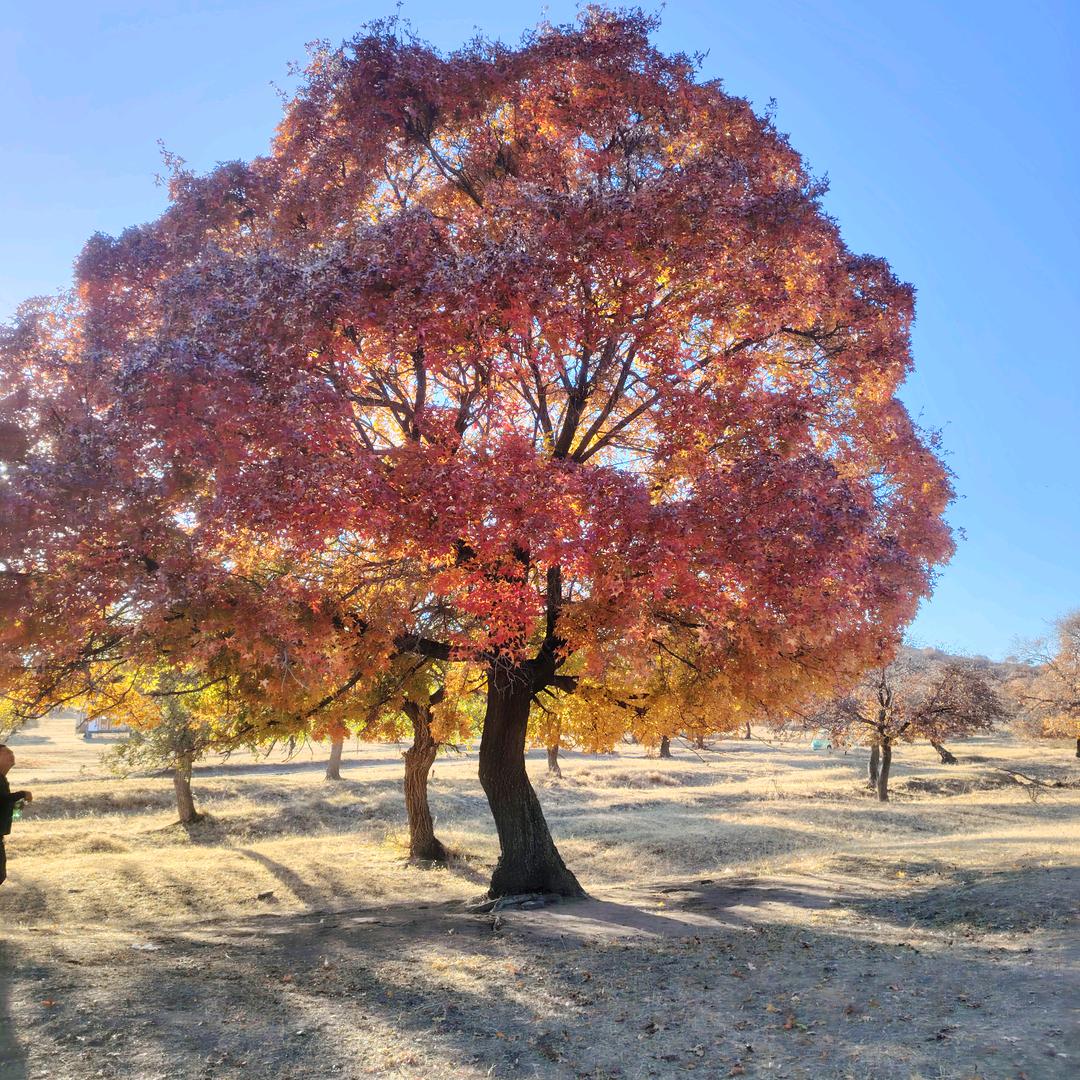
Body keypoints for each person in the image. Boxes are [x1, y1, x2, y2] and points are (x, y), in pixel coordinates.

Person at [0, 744, 32, 886]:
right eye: (7, 753)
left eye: (12, 752)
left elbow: (5, 803)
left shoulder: (2, 779)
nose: (12, 755)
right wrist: (22, 794)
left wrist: (17, 805)